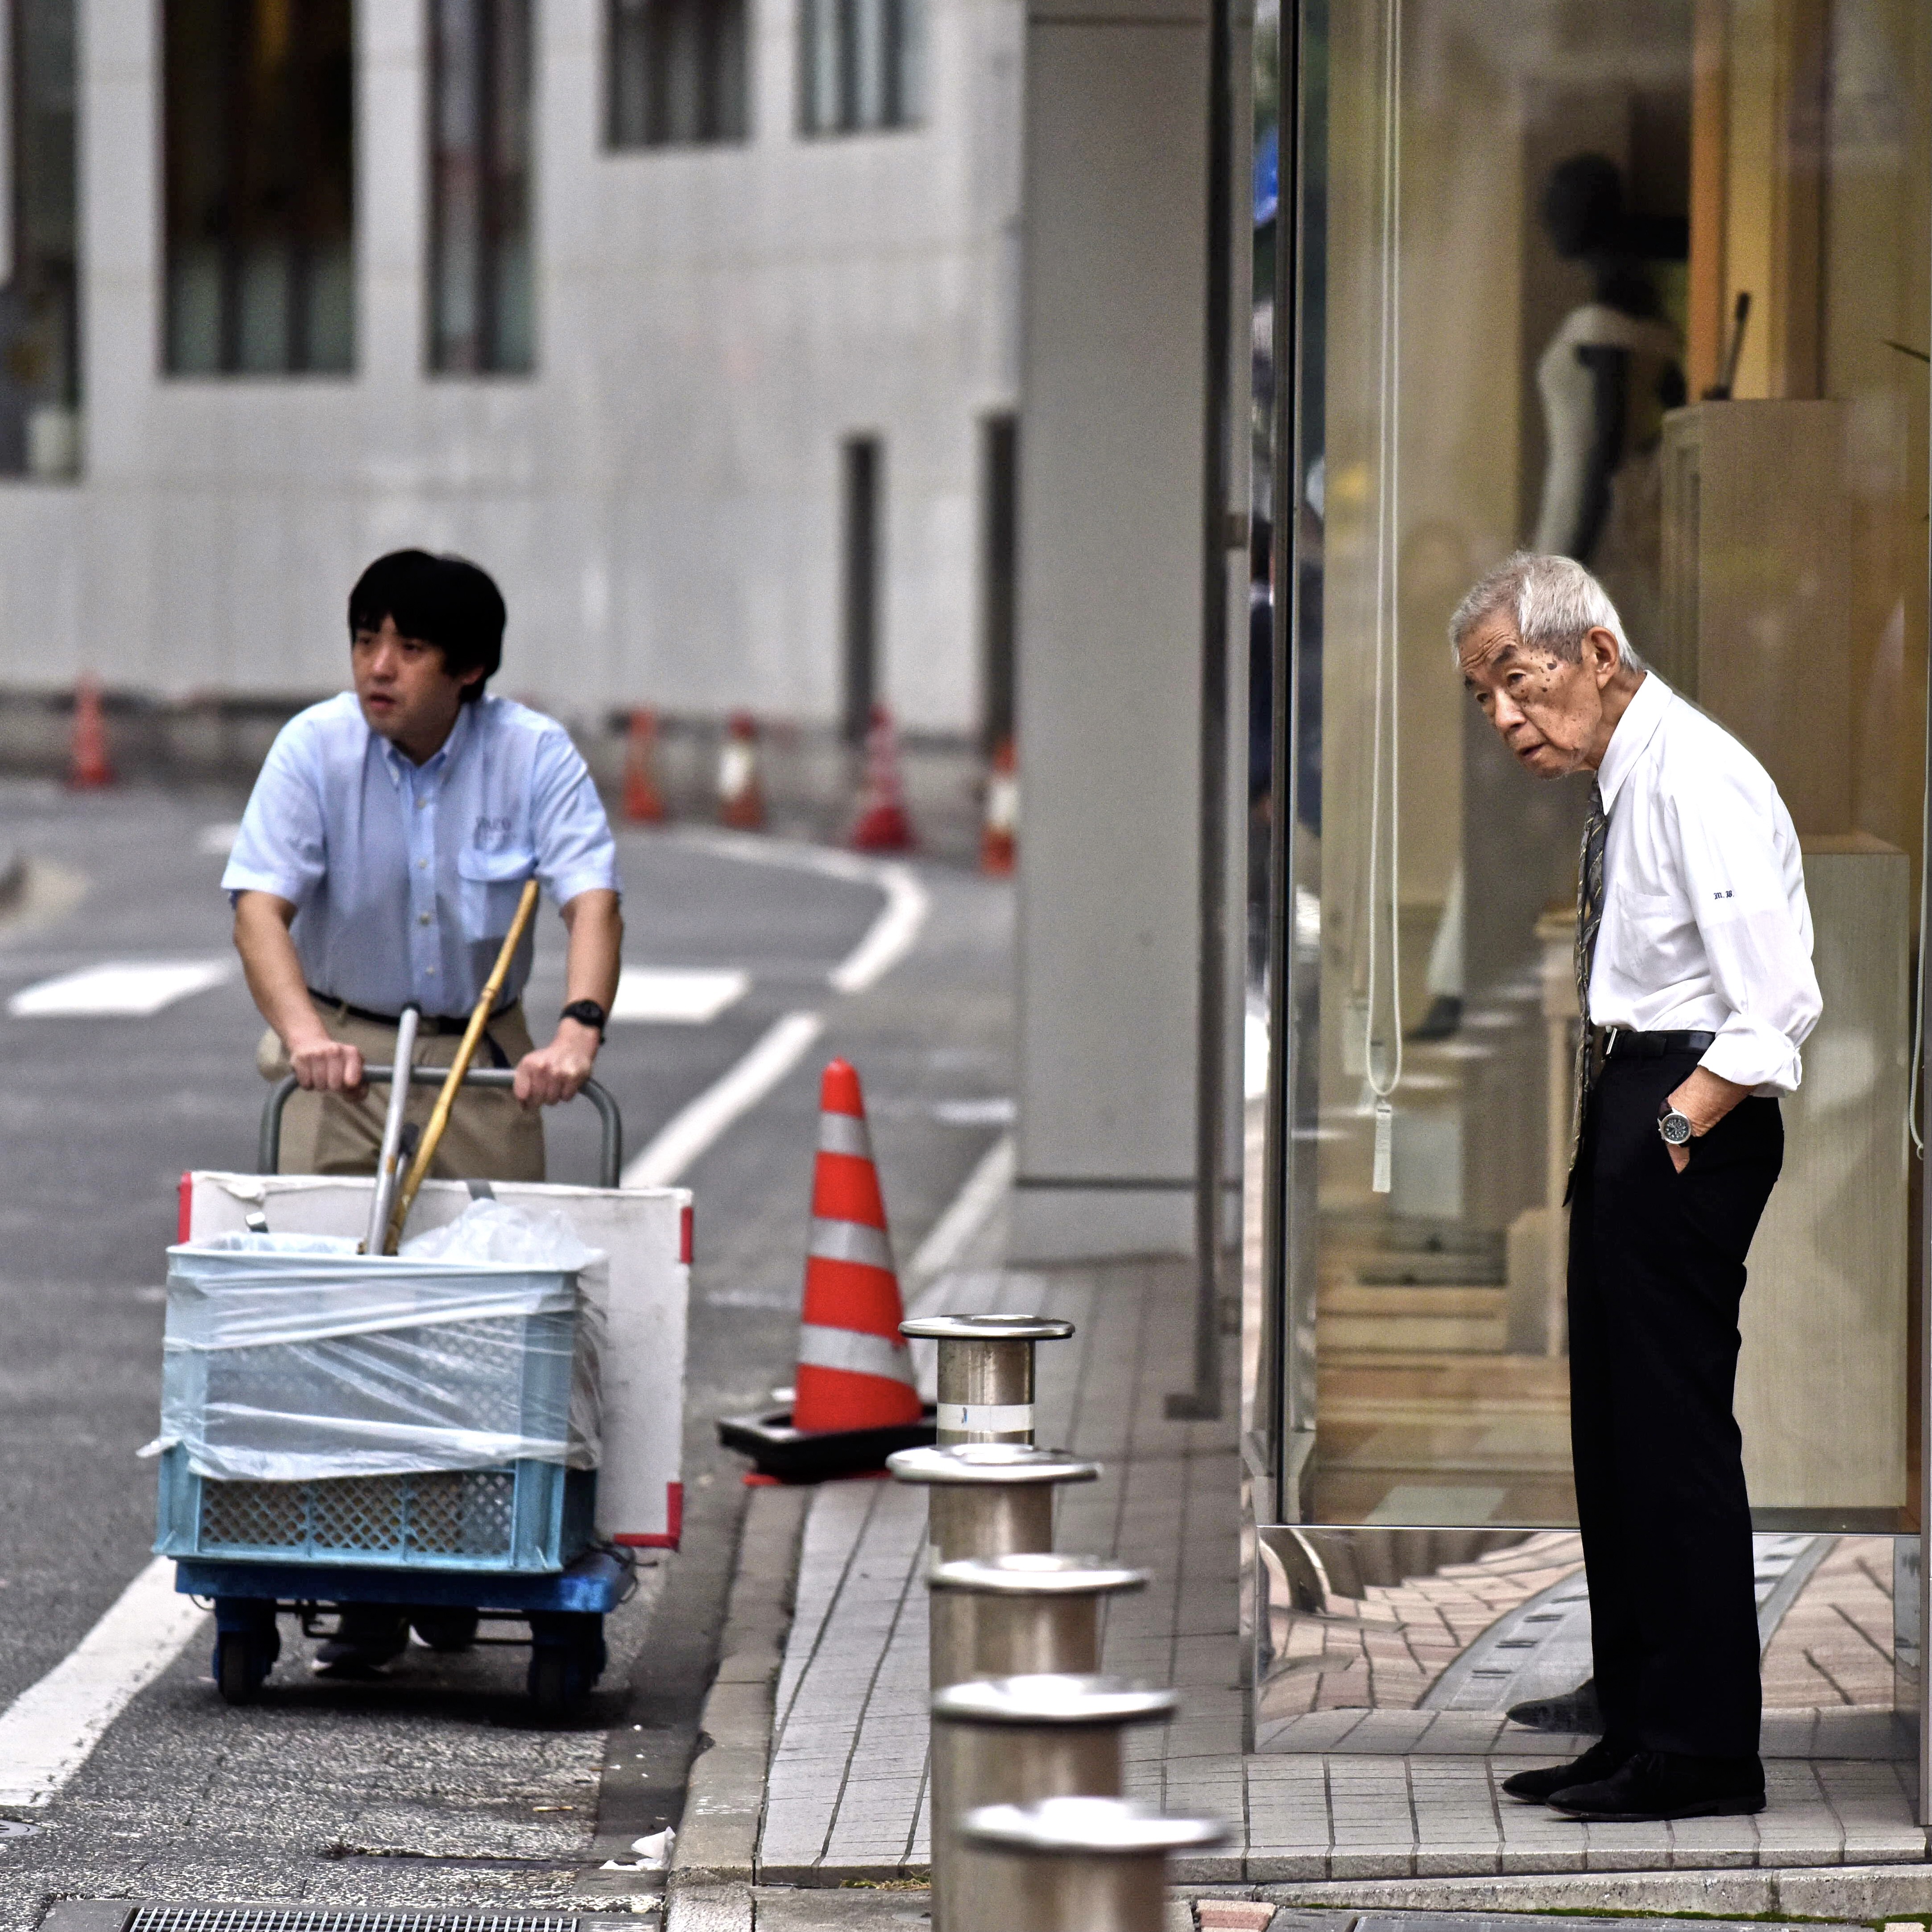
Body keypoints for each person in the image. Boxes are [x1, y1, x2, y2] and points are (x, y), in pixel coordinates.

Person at [1451, 552, 1820, 1824]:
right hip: (1638, 1099)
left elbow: (1774, 1005)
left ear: (1596, 654)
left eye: (1517, 681)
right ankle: (1638, 1720)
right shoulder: (1629, 771)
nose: (1503, 717)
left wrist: (1671, 1120)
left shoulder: (1694, 773)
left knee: (1671, 1439)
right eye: (1484, 694)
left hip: (1683, 1109)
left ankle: (1704, 1749)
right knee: (1616, 1440)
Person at [221, 547, 623, 1674]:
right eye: (365, 641)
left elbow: (593, 896)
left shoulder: (534, 756)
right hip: (346, 1046)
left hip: (480, 1055)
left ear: (471, 668)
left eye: (406, 646)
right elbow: (261, 906)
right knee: (331, 1306)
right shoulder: (313, 749)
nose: (377, 667)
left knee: (494, 1311)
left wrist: (576, 1031)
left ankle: (473, 1540)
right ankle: (353, 1576)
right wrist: (305, 1036)